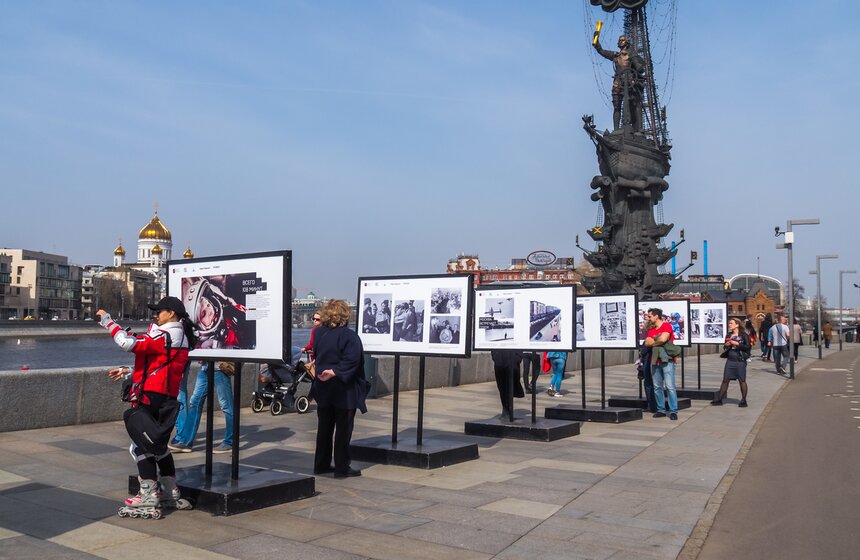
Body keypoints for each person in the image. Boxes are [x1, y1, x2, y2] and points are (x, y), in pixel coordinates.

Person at [97, 296, 196, 517]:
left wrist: (108, 322)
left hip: (150, 398)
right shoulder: (179, 336)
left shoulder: (166, 335)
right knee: (159, 445)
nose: (156, 315)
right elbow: (161, 365)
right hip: (166, 398)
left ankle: (149, 493)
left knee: (140, 445)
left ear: (171, 313)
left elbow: (127, 343)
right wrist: (127, 371)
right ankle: (170, 491)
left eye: (159, 311)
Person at [311, 299, 370, 478]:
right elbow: (353, 360)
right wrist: (336, 372)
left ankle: (321, 464)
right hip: (344, 391)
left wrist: (326, 372)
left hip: (323, 387)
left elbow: (319, 356)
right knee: (343, 431)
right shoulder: (349, 336)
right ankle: (342, 467)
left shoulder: (319, 333)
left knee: (324, 429)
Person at [169, 361, 234, 454]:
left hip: (220, 367)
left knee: (227, 406)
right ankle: (185, 442)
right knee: (195, 402)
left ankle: (229, 442)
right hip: (205, 367)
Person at [593, 34, 645, 131]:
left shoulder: (631, 54)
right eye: (619, 40)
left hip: (629, 82)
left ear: (627, 42)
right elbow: (601, 51)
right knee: (617, 106)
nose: (620, 42)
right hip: (617, 82)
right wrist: (596, 42)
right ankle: (616, 130)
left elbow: (639, 66)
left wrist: (639, 67)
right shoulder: (615, 55)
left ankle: (635, 127)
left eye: (622, 40)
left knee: (632, 103)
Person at [645, 307, 678, 420]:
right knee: (657, 387)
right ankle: (661, 410)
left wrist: (654, 341)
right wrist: (656, 340)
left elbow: (664, 339)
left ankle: (673, 410)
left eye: (649, 316)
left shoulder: (666, 326)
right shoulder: (652, 329)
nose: (648, 318)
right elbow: (646, 342)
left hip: (667, 360)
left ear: (656, 316)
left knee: (669, 386)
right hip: (654, 361)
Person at [712, 318, 750, 407]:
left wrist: (737, 344)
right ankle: (719, 399)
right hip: (730, 360)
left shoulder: (744, 335)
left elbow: (747, 347)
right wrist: (726, 345)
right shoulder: (729, 335)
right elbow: (725, 347)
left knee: (742, 380)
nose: (729, 325)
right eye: (729, 323)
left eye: (731, 323)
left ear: (737, 325)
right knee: (725, 380)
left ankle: (743, 400)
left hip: (740, 360)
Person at [490, 349, 524, 420]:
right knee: (501, 387)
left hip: (512, 363)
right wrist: (495, 357)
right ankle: (505, 408)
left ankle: (508, 409)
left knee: (510, 386)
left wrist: (517, 359)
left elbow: (520, 348)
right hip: (499, 362)